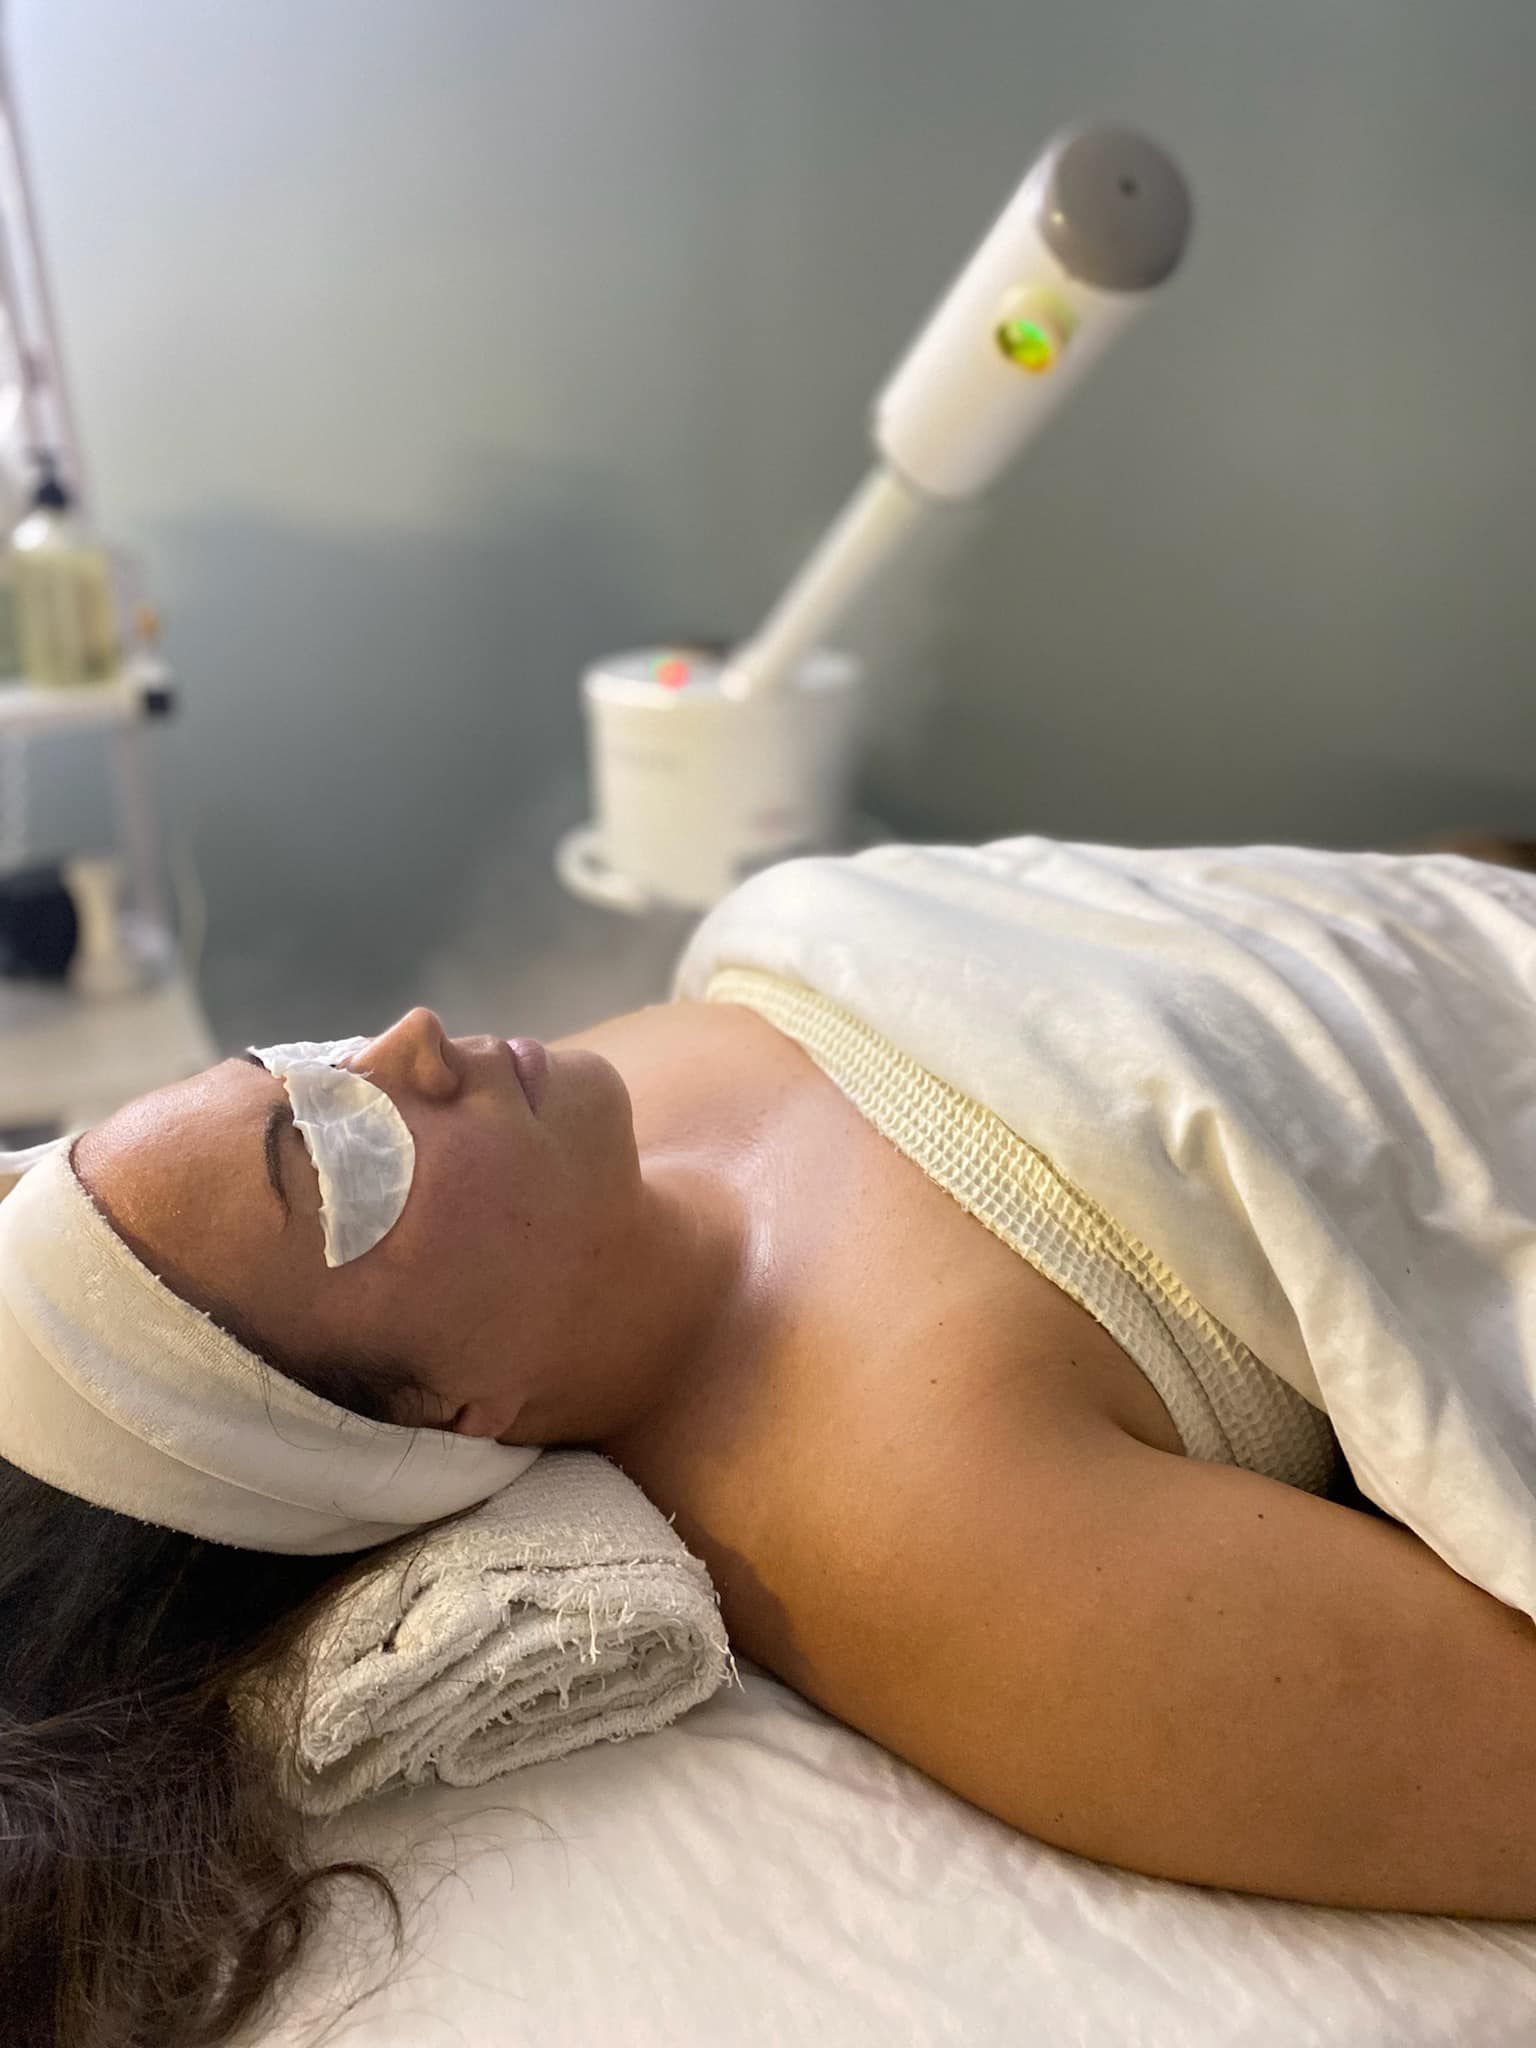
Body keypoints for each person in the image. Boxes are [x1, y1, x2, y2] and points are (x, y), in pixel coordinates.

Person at [6, 833, 1536, 2048]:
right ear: (437, 1422)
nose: (405, 1045)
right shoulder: (936, 1530)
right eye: (339, 1159)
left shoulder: (584, 1119)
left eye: (301, 1063)